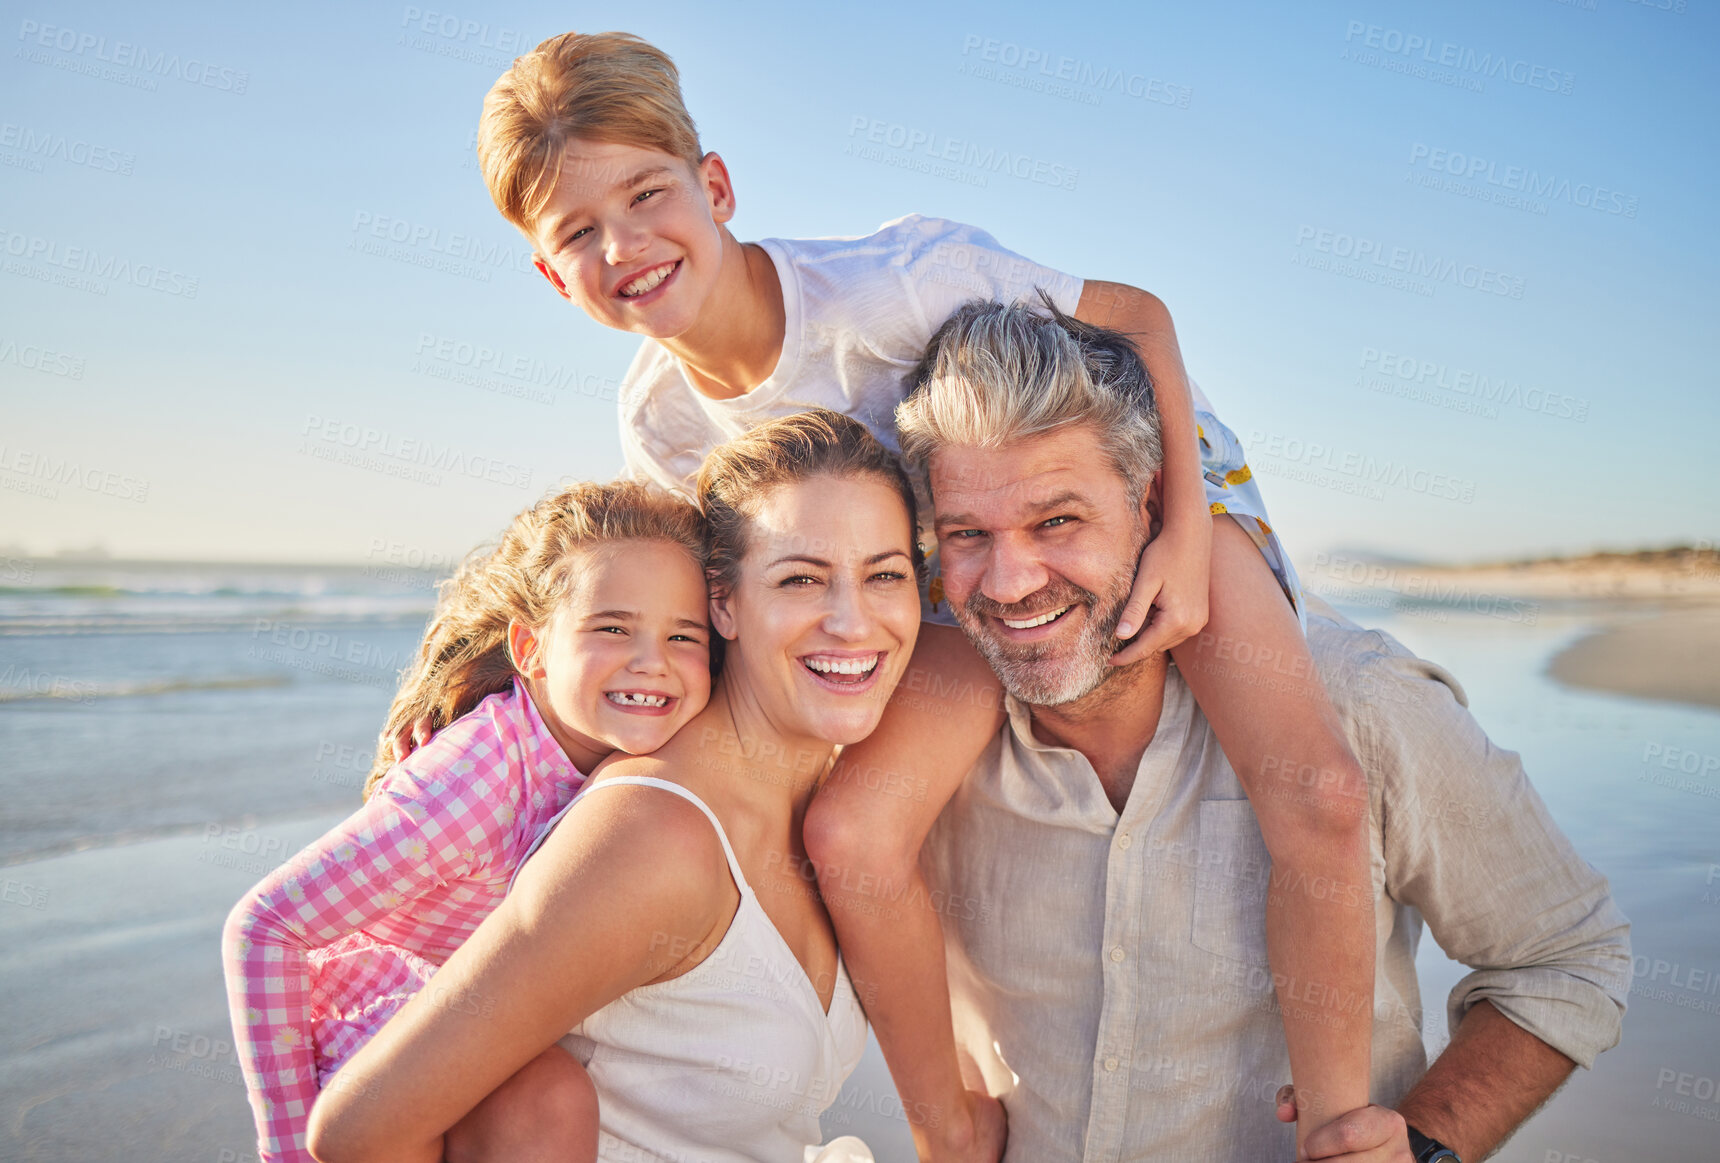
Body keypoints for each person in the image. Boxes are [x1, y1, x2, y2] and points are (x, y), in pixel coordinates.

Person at [402, 30, 1378, 1155]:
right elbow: (676, 589)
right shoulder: (657, 420)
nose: (625, 245)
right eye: (577, 232)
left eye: (647, 195)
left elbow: (1143, 316)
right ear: (546, 270)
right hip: (944, 584)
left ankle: (1344, 1124)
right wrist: (492, 683)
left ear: (714, 186)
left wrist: (1187, 531)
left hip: (1137, 483)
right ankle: (948, 1126)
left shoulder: (895, 283)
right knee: (855, 834)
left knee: (1316, 786)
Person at [893, 298, 1632, 1161]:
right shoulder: (912, 759)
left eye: (1058, 521)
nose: (1011, 580)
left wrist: (1427, 1144)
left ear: (1155, 506)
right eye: (968, 535)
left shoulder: (1359, 704)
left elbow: (1567, 955)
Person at [305, 411, 923, 1163]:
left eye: (885, 574)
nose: (853, 621)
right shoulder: (652, 835)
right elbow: (362, 1127)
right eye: (801, 578)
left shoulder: (834, 797)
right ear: (722, 602)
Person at [222, 481, 713, 1163]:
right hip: (383, 1039)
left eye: (683, 635)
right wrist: (285, 1148)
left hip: (478, 1016)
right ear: (532, 648)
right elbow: (265, 924)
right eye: (612, 626)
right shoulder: (472, 779)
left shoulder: (636, 742)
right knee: (551, 1095)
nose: (652, 659)